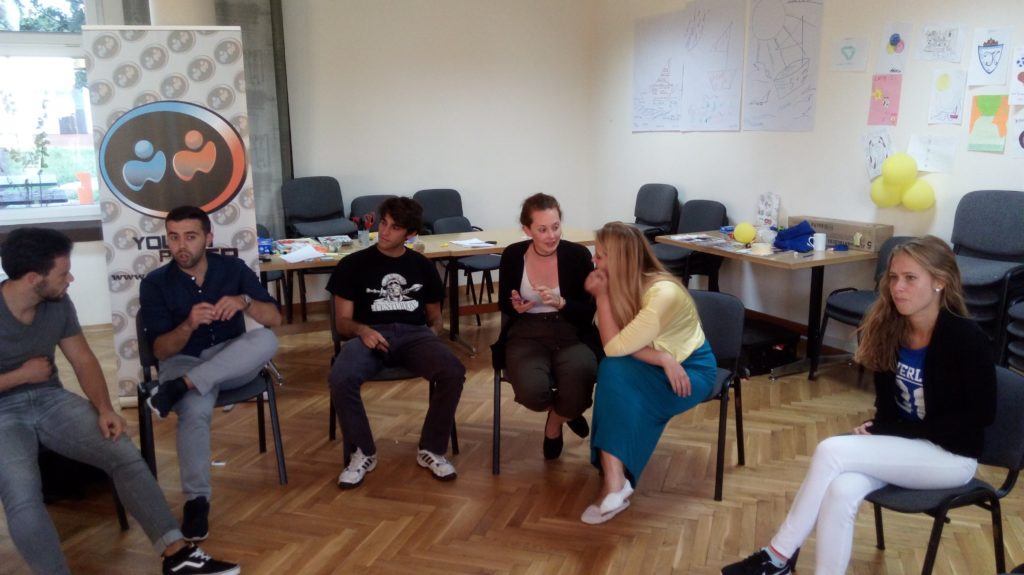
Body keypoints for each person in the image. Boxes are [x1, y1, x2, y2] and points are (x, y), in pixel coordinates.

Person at [722, 235, 996, 575]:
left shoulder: (966, 338)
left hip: (952, 456)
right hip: (909, 445)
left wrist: (894, 431)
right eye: (893, 277)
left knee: (831, 450)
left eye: (910, 278)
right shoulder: (890, 329)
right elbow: (889, 408)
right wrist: (879, 428)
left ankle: (777, 557)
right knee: (841, 489)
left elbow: (980, 415)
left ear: (940, 282)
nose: (898, 287)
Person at [0, 227, 239, 575]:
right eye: (63, 273)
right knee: (22, 495)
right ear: (33, 278)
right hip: (4, 412)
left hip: (50, 399)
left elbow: (83, 359)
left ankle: (177, 555)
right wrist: (20, 376)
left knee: (123, 453)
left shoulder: (58, 303)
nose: (71, 279)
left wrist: (104, 409)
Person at [140, 205, 281, 542]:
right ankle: (197, 501)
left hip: (230, 360)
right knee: (195, 410)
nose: (181, 246)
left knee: (266, 340)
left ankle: (181, 387)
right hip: (182, 360)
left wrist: (245, 302)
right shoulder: (155, 283)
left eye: (190, 237)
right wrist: (188, 325)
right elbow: (160, 351)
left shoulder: (232, 269)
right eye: (174, 237)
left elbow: (274, 319)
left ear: (208, 237)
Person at [581, 222, 717, 525]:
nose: (594, 261)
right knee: (611, 370)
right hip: (658, 361)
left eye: (600, 256)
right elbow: (617, 346)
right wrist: (661, 358)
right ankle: (615, 480)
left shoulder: (663, 292)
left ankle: (614, 480)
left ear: (620, 260)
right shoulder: (618, 284)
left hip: (691, 368)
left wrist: (601, 297)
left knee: (614, 375)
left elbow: (614, 346)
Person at [327, 196, 465, 489]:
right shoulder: (352, 265)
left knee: (453, 370)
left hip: (414, 335)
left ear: (410, 234)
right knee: (341, 375)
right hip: (369, 334)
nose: (384, 232)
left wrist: (431, 335)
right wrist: (362, 331)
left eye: (394, 227)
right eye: (383, 223)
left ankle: (431, 449)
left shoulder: (423, 266)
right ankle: (363, 452)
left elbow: (435, 318)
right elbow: (342, 323)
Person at [497, 193, 598, 459]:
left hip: (570, 331)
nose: (551, 236)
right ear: (527, 230)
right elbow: (504, 303)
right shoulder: (513, 255)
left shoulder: (577, 255)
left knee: (581, 383)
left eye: (555, 227)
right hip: (526, 333)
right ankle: (566, 412)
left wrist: (562, 303)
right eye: (542, 229)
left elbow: (589, 310)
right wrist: (516, 306)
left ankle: (555, 423)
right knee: (532, 392)